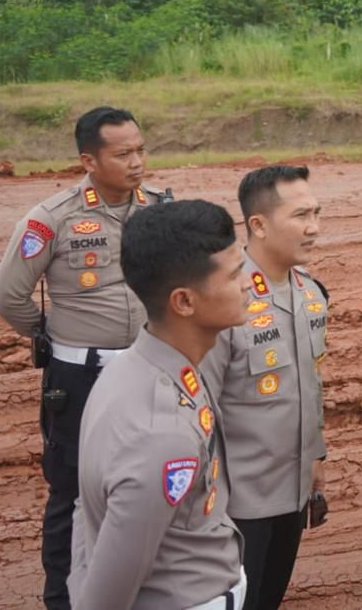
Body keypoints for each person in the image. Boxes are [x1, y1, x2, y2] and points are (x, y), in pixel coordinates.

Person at [0, 106, 171, 609]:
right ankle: (63, 599)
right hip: (81, 375)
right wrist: (54, 339)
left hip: (151, 369)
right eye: (123, 153)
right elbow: (8, 298)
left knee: (153, 479)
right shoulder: (52, 219)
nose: (137, 162)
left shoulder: (159, 207)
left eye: (140, 149)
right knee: (72, 494)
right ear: (88, 160)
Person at [68, 199, 248, 608]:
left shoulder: (138, 368)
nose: (250, 284)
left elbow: (87, 513)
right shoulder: (161, 435)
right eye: (235, 274)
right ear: (184, 301)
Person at [199, 165, 330, 609]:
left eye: (317, 213)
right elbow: (197, 407)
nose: (314, 228)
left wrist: (316, 457)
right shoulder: (222, 297)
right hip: (236, 505)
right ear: (257, 224)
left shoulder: (309, 291)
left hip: (291, 492)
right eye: (300, 216)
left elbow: (310, 385)